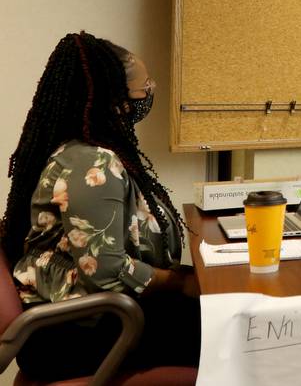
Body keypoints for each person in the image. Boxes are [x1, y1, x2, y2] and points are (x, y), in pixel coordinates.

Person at [0, 32, 201, 380]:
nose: (150, 91)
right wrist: (180, 282)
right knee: (233, 330)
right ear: (116, 99)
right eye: (144, 86)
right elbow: (107, 271)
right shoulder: (92, 163)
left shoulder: (87, 152)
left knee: (216, 313)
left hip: (75, 319)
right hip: (72, 333)